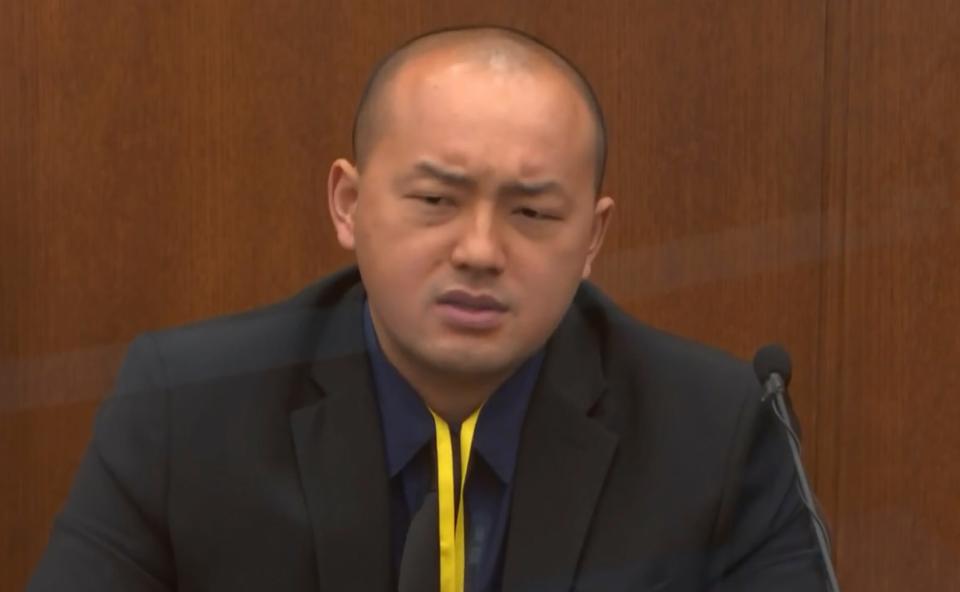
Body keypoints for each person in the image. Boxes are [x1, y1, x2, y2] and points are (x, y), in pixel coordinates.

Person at [29, 25, 828, 592]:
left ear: (593, 236)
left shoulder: (712, 428)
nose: (479, 249)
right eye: (437, 199)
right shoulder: (189, 407)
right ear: (348, 204)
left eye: (533, 213)